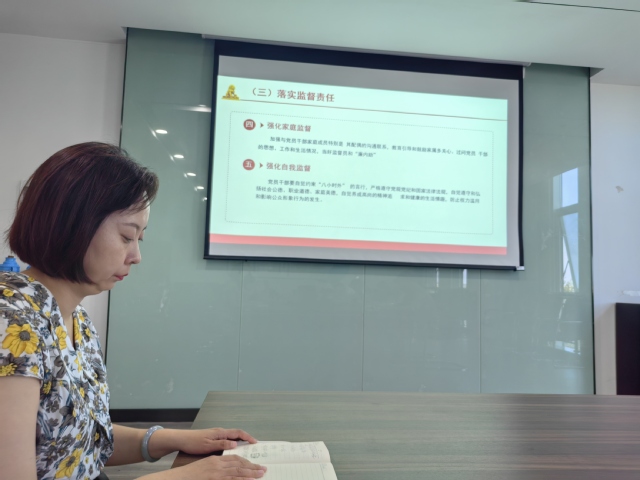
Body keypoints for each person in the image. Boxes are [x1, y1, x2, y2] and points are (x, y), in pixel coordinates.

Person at [0, 142, 268, 480]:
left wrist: (175, 439)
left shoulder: (75, 317)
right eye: (127, 236)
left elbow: (79, 446)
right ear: (73, 224)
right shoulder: (11, 320)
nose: (136, 256)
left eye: (140, 239)